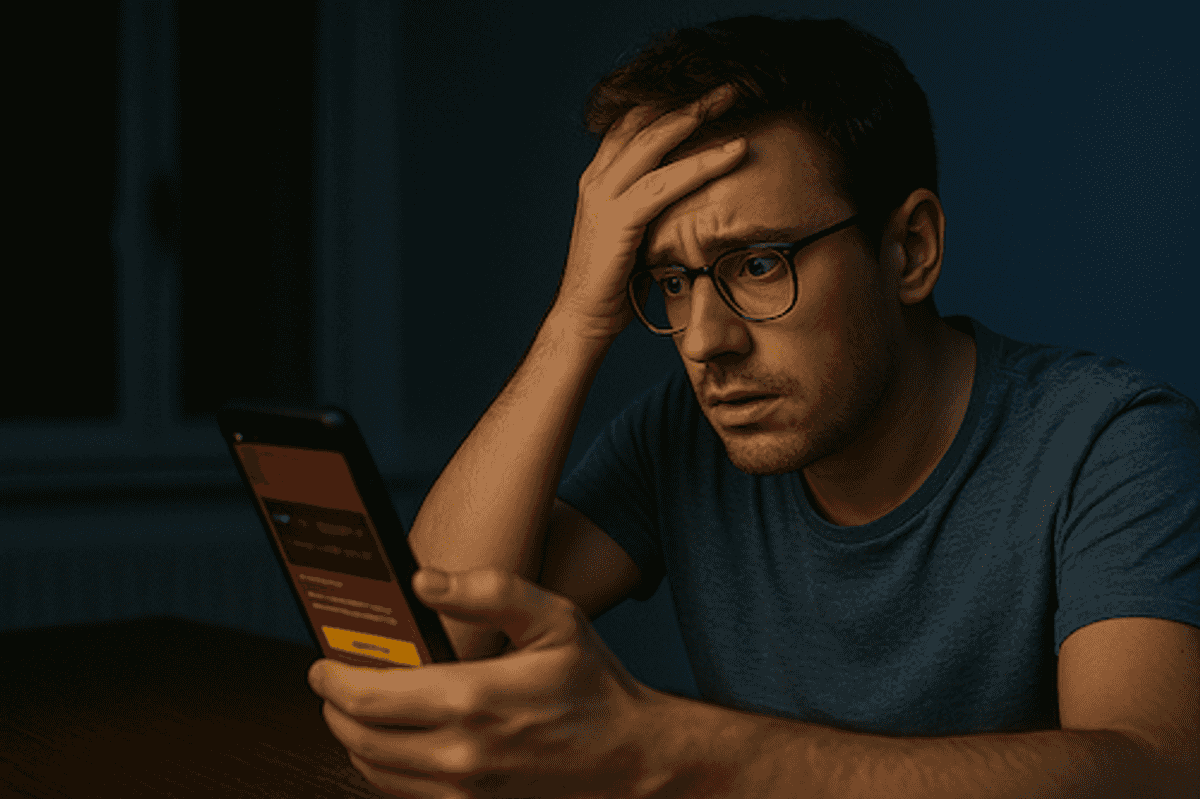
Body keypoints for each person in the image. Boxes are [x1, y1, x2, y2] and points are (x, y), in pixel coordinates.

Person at [307, 15, 1199, 798]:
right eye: (667, 281)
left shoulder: (1111, 444)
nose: (703, 341)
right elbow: (426, 658)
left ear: (911, 251)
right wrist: (578, 315)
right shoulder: (683, 437)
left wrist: (675, 752)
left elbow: (1155, 771)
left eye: (759, 263)